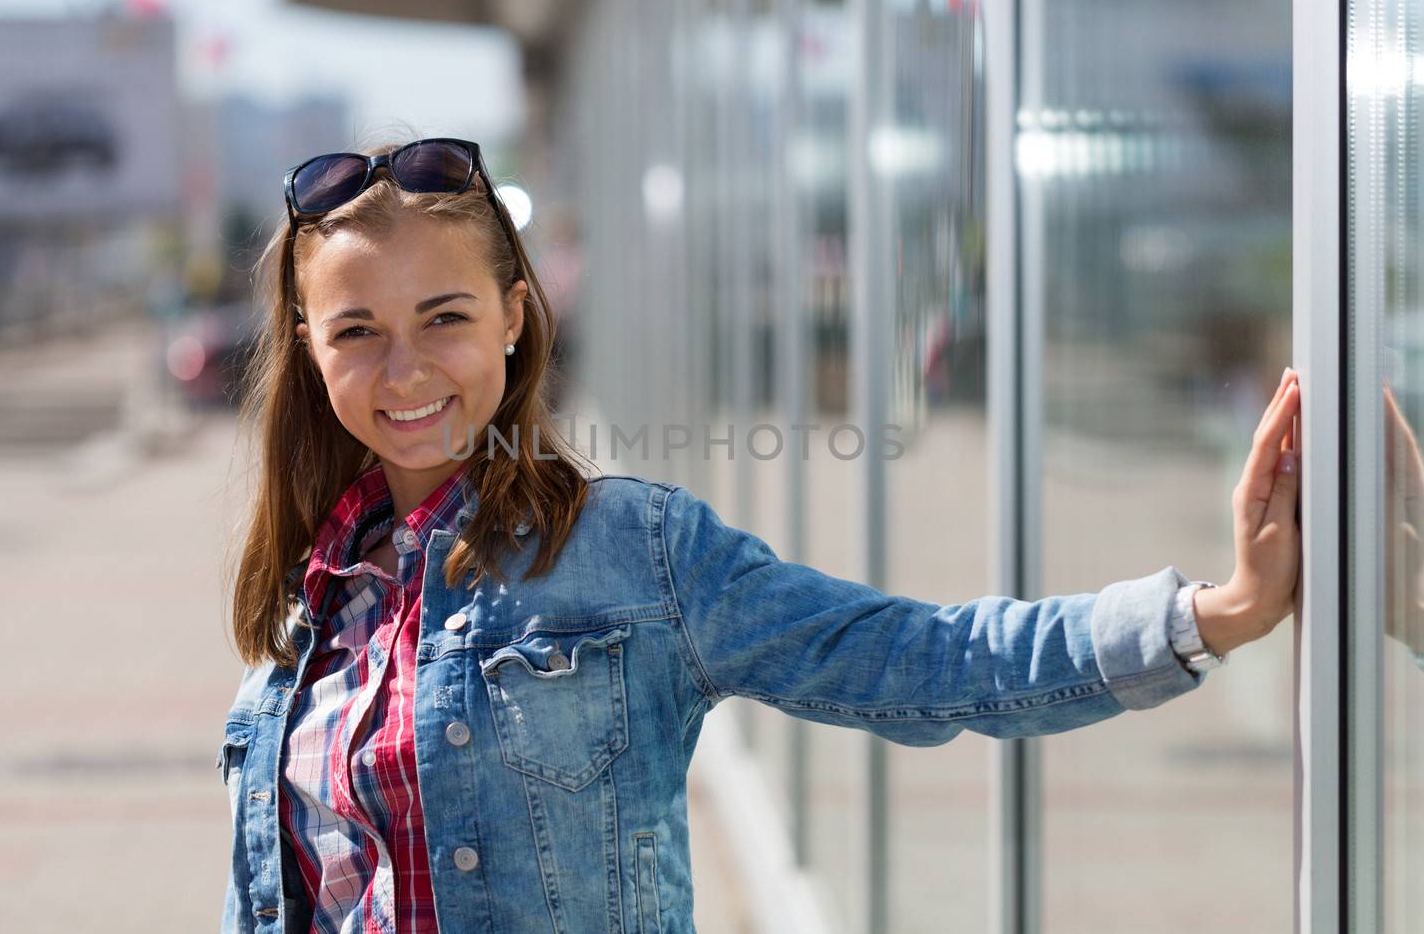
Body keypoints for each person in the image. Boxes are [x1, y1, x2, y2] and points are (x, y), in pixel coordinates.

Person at [216, 137, 1304, 934]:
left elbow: (926, 660)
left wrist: (1210, 616)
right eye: (358, 331)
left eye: (443, 317)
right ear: (310, 346)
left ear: (513, 315)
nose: (402, 370)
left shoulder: (635, 555)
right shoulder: (300, 621)